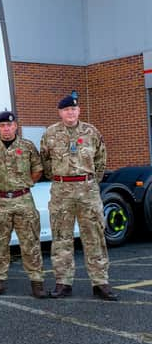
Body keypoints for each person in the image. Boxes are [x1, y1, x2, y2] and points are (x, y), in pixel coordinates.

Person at [40, 95, 118, 301]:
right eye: (66, 110)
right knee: (61, 238)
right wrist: (60, 177)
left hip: (88, 191)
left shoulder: (91, 132)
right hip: (61, 191)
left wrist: (90, 180)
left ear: (79, 111)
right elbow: (45, 162)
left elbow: (101, 159)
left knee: (95, 237)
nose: (70, 113)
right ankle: (63, 283)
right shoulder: (50, 134)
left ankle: (101, 283)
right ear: (60, 112)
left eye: (73, 109)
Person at [0, 111, 47, 299]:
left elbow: (38, 170)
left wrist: (25, 185)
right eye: (2, 126)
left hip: (23, 200)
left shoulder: (27, 146)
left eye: (10, 125)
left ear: (15, 126)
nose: (6, 129)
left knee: (30, 242)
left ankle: (37, 283)